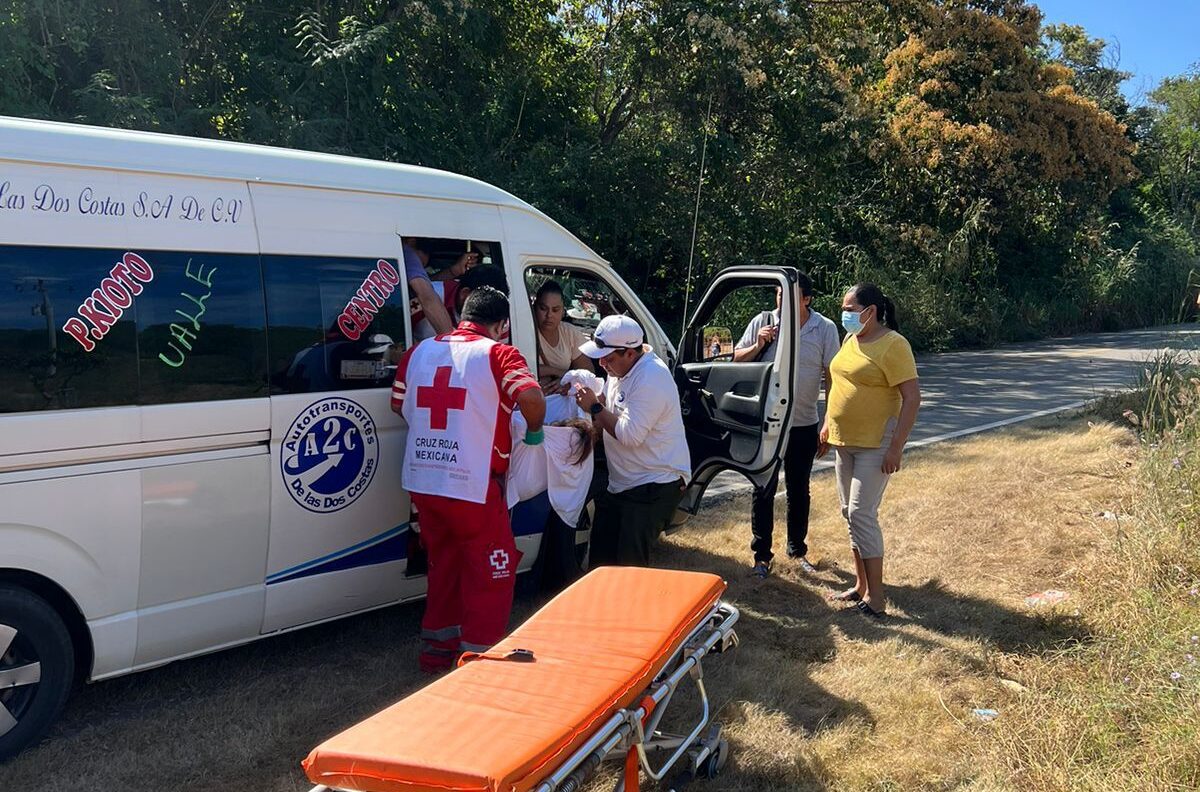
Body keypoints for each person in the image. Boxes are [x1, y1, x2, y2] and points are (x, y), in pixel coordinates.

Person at [391, 286, 546, 671]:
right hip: (471, 483)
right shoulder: (498, 354)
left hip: (424, 481)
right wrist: (534, 432)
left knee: (444, 563)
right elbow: (532, 398)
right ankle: (481, 658)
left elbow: (398, 404)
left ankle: (437, 651)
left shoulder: (419, 353)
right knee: (493, 568)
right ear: (501, 325)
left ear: (462, 315)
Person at [819, 283, 921, 619]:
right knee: (849, 513)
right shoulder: (851, 339)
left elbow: (912, 398)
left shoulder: (894, 345)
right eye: (844, 308)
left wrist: (897, 447)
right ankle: (860, 586)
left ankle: (877, 600)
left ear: (870, 311)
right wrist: (827, 424)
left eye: (850, 308)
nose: (845, 314)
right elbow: (839, 382)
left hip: (876, 445)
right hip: (843, 442)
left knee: (862, 513)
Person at [733, 277, 840, 578]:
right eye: (779, 294)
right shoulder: (763, 321)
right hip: (768, 423)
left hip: (804, 423)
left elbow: (833, 376)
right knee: (763, 487)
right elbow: (737, 361)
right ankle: (761, 556)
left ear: (807, 299)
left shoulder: (825, 328)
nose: (781, 300)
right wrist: (759, 344)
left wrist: (829, 420)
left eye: (790, 295)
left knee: (798, 490)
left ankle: (797, 551)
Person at [574, 315, 691, 566]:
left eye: (608, 358)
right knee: (601, 560)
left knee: (631, 565)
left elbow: (629, 435)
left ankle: (634, 605)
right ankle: (602, 604)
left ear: (629, 353)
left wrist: (594, 408)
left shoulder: (652, 378)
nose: (602, 363)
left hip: (655, 484)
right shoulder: (621, 369)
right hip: (624, 484)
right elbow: (607, 400)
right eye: (600, 357)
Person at [533, 280, 593, 393]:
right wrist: (558, 372)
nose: (549, 315)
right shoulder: (524, 331)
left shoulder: (570, 333)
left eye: (555, 310)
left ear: (563, 311)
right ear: (534, 307)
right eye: (543, 308)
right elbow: (525, 369)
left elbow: (588, 373)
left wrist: (568, 382)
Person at [402, 240, 455, 336]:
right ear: (412, 240)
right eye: (426, 253)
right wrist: (451, 343)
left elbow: (427, 282)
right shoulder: (406, 253)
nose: (424, 263)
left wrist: (454, 271)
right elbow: (426, 295)